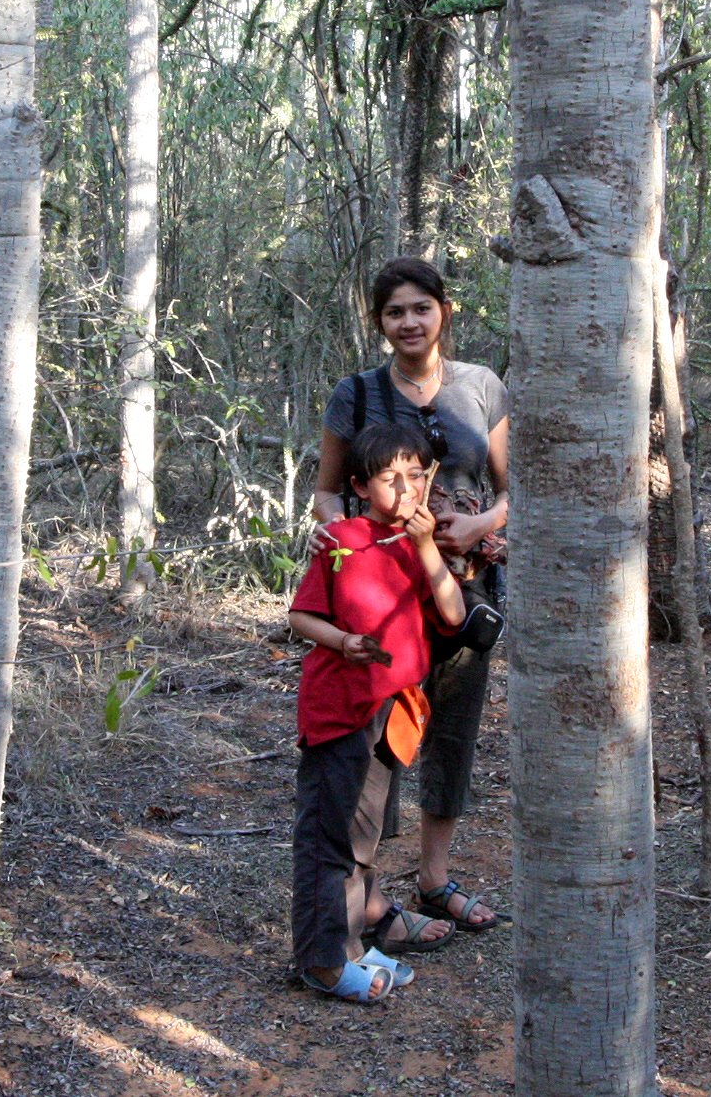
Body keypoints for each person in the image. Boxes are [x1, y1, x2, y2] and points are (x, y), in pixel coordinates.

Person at [311, 257, 508, 934]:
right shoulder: (357, 395)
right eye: (395, 312)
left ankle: (433, 880)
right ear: (379, 323)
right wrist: (337, 537)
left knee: (451, 730)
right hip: (382, 601)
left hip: (462, 594)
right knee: (377, 738)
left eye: (421, 308)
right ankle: (367, 895)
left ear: (443, 312)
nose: (410, 322)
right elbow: (328, 491)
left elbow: (513, 490)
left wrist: (480, 526)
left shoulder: (481, 387)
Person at [287, 420, 470, 1001]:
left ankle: (352, 945)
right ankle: (322, 960)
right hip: (340, 709)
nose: (405, 488)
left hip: (393, 711)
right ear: (361, 486)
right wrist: (343, 641)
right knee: (330, 836)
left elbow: (453, 614)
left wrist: (426, 545)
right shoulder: (341, 540)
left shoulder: (419, 544)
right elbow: (301, 616)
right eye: (389, 478)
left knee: (363, 837)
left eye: (414, 475)